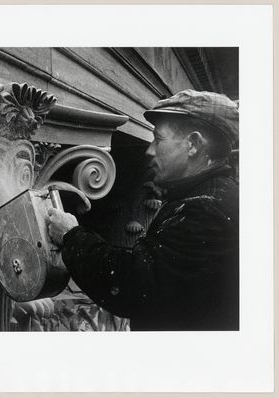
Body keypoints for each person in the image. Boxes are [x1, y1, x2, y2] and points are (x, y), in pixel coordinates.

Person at [47, 90, 239, 331]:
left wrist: (70, 235)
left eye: (158, 139)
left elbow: (133, 284)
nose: (149, 150)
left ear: (193, 144)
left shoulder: (205, 207)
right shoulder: (211, 194)